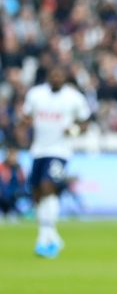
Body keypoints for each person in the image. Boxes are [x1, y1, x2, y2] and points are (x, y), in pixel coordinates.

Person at [18, 66, 91, 258]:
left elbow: (85, 123)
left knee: (47, 185)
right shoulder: (36, 94)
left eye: (60, 75)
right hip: (38, 150)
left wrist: (73, 131)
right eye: (54, 74)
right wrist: (23, 127)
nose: (56, 77)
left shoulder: (74, 98)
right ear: (49, 77)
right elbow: (26, 116)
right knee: (36, 193)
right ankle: (53, 236)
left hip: (60, 151)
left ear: (65, 77)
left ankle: (43, 239)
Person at [0, 146, 27, 220]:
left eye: (14, 155)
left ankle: (14, 211)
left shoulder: (19, 168)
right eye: (11, 154)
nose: (12, 157)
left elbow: (23, 184)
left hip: (14, 196)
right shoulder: (2, 167)